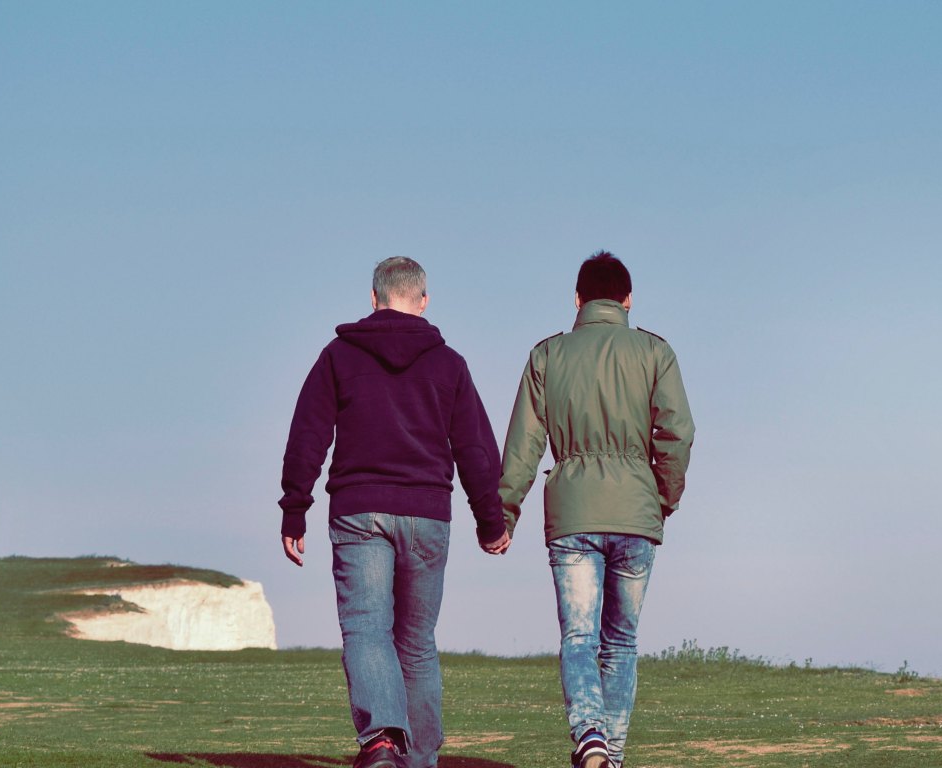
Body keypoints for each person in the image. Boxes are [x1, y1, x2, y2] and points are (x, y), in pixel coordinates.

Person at [279, 257, 509, 768]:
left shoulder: (338, 356)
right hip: (428, 514)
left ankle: (382, 740)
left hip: (359, 511)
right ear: (423, 301)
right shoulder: (449, 363)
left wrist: (295, 509)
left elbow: (307, 436)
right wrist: (491, 523)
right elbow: (475, 449)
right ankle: (419, 759)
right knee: (416, 642)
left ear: (373, 297)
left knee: (367, 628)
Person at [498, 251, 695, 768]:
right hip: (637, 512)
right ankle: (612, 754)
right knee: (621, 643)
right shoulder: (655, 352)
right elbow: (677, 432)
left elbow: (524, 444)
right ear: (628, 300)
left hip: (573, 515)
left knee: (579, 638)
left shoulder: (547, 356)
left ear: (578, 299)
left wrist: (505, 512)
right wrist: (663, 497)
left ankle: (591, 738)